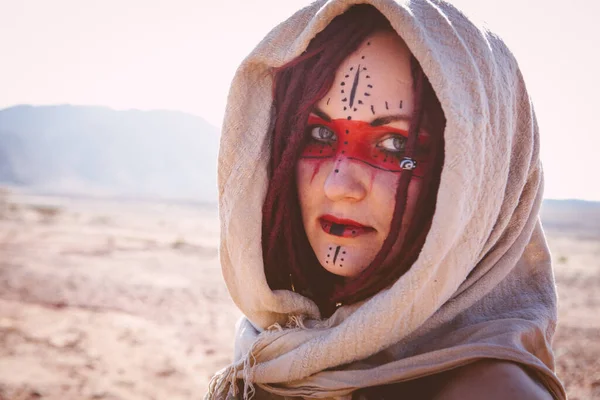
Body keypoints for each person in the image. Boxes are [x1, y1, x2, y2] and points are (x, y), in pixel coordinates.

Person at [207, 1, 566, 399]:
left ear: (480, 182)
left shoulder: (490, 392)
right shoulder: (273, 345)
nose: (338, 185)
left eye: (396, 144)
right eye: (320, 136)